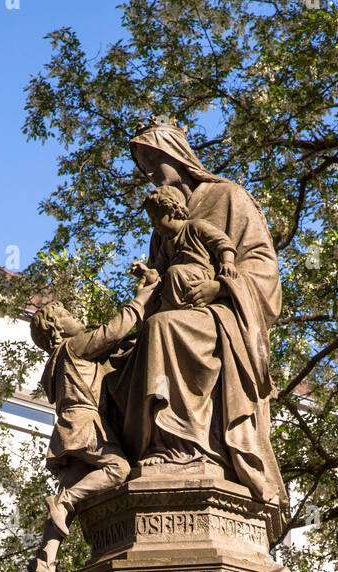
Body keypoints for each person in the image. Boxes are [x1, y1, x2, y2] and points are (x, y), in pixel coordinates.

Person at [103, 121, 288, 509]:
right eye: (143, 166)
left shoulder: (228, 197)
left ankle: (186, 447)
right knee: (112, 368)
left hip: (223, 316)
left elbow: (262, 268)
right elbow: (158, 281)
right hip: (176, 309)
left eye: (155, 160)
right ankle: (137, 453)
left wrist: (220, 287)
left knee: (163, 329)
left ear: (178, 155)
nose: (151, 172)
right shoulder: (163, 222)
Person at [27, 269, 160, 572]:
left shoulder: (56, 364)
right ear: (58, 331)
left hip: (67, 429)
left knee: (71, 495)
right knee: (117, 470)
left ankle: (46, 556)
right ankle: (63, 501)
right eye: (68, 315)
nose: (77, 317)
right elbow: (113, 331)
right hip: (85, 424)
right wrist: (141, 299)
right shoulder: (74, 347)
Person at [141, 184, 237, 311]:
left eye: (155, 218)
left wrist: (228, 262)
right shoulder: (166, 243)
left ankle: (176, 308)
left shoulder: (194, 227)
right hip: (180, 281)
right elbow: (159, 268)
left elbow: (223, 243)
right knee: (159, 280)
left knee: (174, 272)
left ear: (171, 211)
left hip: (201, 274)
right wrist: (146, 272)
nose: (153, 224)